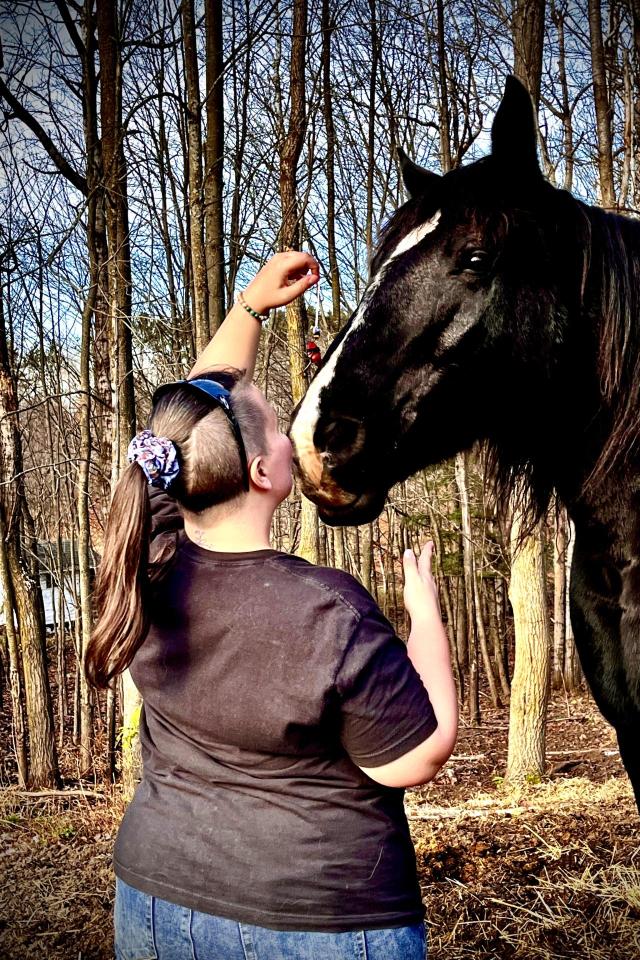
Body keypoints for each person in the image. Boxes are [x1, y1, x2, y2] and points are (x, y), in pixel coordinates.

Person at [86, 251, 458, 960]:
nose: (291, 429)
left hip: (155, 903)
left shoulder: (148, 553)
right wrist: (426, 618)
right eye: (275, 420)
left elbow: (189, 417)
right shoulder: (328, 611)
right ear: (263, 470)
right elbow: (415, 757)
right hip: (316, 921)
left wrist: (251, 306)